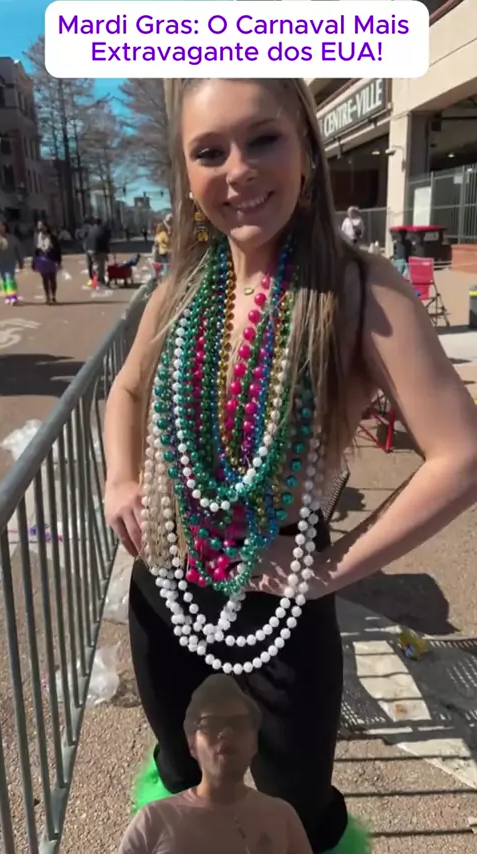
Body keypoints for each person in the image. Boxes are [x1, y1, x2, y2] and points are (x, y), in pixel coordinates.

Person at [104, 79, 477, 854]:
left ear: (306, 144)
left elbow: (461, 456)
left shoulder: (357, 289)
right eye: (210, 151)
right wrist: (121, 479)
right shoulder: (182, 286)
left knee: (289, 815)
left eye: (263, 138)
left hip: (278, 607)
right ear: (186, 173)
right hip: (165, 595)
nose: (238, 170)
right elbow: (128, 389)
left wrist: (328, 571)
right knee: (184, 781)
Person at [120, 675, 313, 854]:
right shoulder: (154, 821)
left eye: (239, 724)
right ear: (191, 743)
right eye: (211, 725)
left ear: (254, 743)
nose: (226, 733)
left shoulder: (281, 817)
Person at [32, 220, 61, 304]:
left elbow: (58, 250)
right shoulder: (36, 236)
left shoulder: (52, 237)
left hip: (51, 259)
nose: (40, 228)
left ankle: (53, 296)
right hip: (41, 259)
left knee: (52, 278)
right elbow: (35, 250)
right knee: (44, 279)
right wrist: (34, 262)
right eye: (39, 226)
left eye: (42, 226)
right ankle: (47, 296)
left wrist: (59, 261)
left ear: (46, 227)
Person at [0, 219, 24, 305]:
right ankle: (7, 296)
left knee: (10, 279)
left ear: (4, 227)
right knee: (3, 280)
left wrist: (20, 260)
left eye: (0, 226)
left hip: (10, 262)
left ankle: (13, 297)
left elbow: (18, 249)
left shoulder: (12, 238)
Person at [85, 216, 111, 286]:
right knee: (99, 265)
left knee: (91, 266)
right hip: (97, 249)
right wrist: (106, 252)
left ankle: (93, 281)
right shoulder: (103, 229)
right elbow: (105, 240)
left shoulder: (91, 229)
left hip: (88, 249)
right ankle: (100, 281)